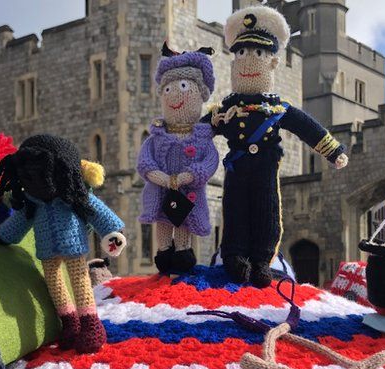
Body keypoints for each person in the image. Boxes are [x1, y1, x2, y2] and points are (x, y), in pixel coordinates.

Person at [204, 5, 349, 288]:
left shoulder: (278, 108)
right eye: (241, 53)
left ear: (271, 62)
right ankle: (233, 256)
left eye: (257, 53)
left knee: (267, 212)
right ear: (233, 61)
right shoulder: (227, 108)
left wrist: (333, 151)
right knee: (233, 211)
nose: (247, 61)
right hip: (236, 169)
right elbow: (202, 130)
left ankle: (262, 260)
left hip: (266, 171)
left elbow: (306, 127)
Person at [0, 135, 127, 353]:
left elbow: (98, 212)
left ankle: (91, 324)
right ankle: (70, 323)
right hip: (47, 252)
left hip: (73, 248)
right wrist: (1, 237)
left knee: (80, 281)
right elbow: (17, 224)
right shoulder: (32, 202)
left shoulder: (73, 196)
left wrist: (113, 231)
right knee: (54, 284)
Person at [137, 43, 219, 274]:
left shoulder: (202, 137)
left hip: (187, 192)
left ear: (198, 94)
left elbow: (210, 161)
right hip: (162, 191)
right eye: (168, 89)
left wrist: (190, 175)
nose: (174, 95)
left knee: (184, 222)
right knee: (163, 220)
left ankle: (183, 251)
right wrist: (158, 177)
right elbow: (145, 160)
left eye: (183, 87)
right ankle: (164, 251)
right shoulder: (157, 135)